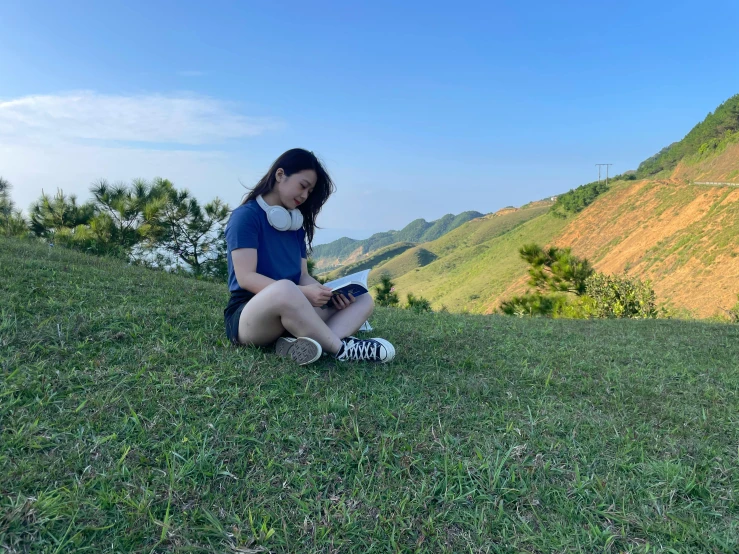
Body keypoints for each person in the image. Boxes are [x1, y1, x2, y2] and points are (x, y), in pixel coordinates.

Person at [223, 148, 395, 365]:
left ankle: (300, 343)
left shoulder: (294, 224)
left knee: (362, 299)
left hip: (293, 305)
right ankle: (339, 349)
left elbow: (303, 275)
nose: (304, 196)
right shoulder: (246, 217)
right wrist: (302, 293)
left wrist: (326, 294)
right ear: (280, 175)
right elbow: (246, 277)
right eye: (303, 186)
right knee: (285, 288)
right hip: (249, 317)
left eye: (309, 192)